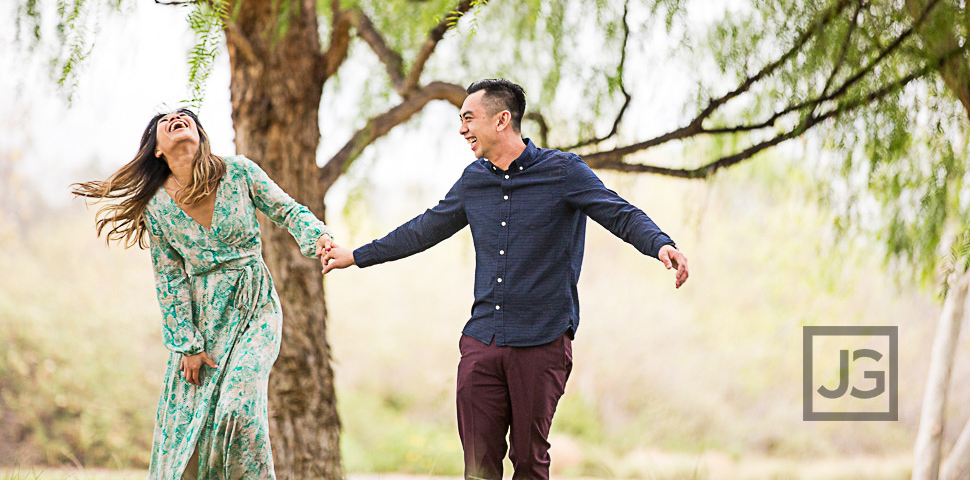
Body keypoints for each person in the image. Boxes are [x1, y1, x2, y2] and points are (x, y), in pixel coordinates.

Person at [321, 78, 689, 480]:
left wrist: (660, 244)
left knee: (530, 461)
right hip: (482, 341)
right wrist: (356, 256)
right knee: (478, 465)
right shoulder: (474, 180)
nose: (462, 128)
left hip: (541, 341)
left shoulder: (564, 172)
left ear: (502, 120)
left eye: (468, 118)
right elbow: (425, 228)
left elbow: (619, 212)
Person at [73, 108, 333, 480]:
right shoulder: (157, 207)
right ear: (157, 149)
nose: (177, 118)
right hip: (203, 325)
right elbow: (170, 279)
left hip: (254, 308)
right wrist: (188, 344)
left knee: (238, 409)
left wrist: (319, 238)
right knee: (191, 431)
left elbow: (287, 211)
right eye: (166, 120)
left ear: (200, 134)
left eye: (185, 116)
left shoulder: (239, 172)